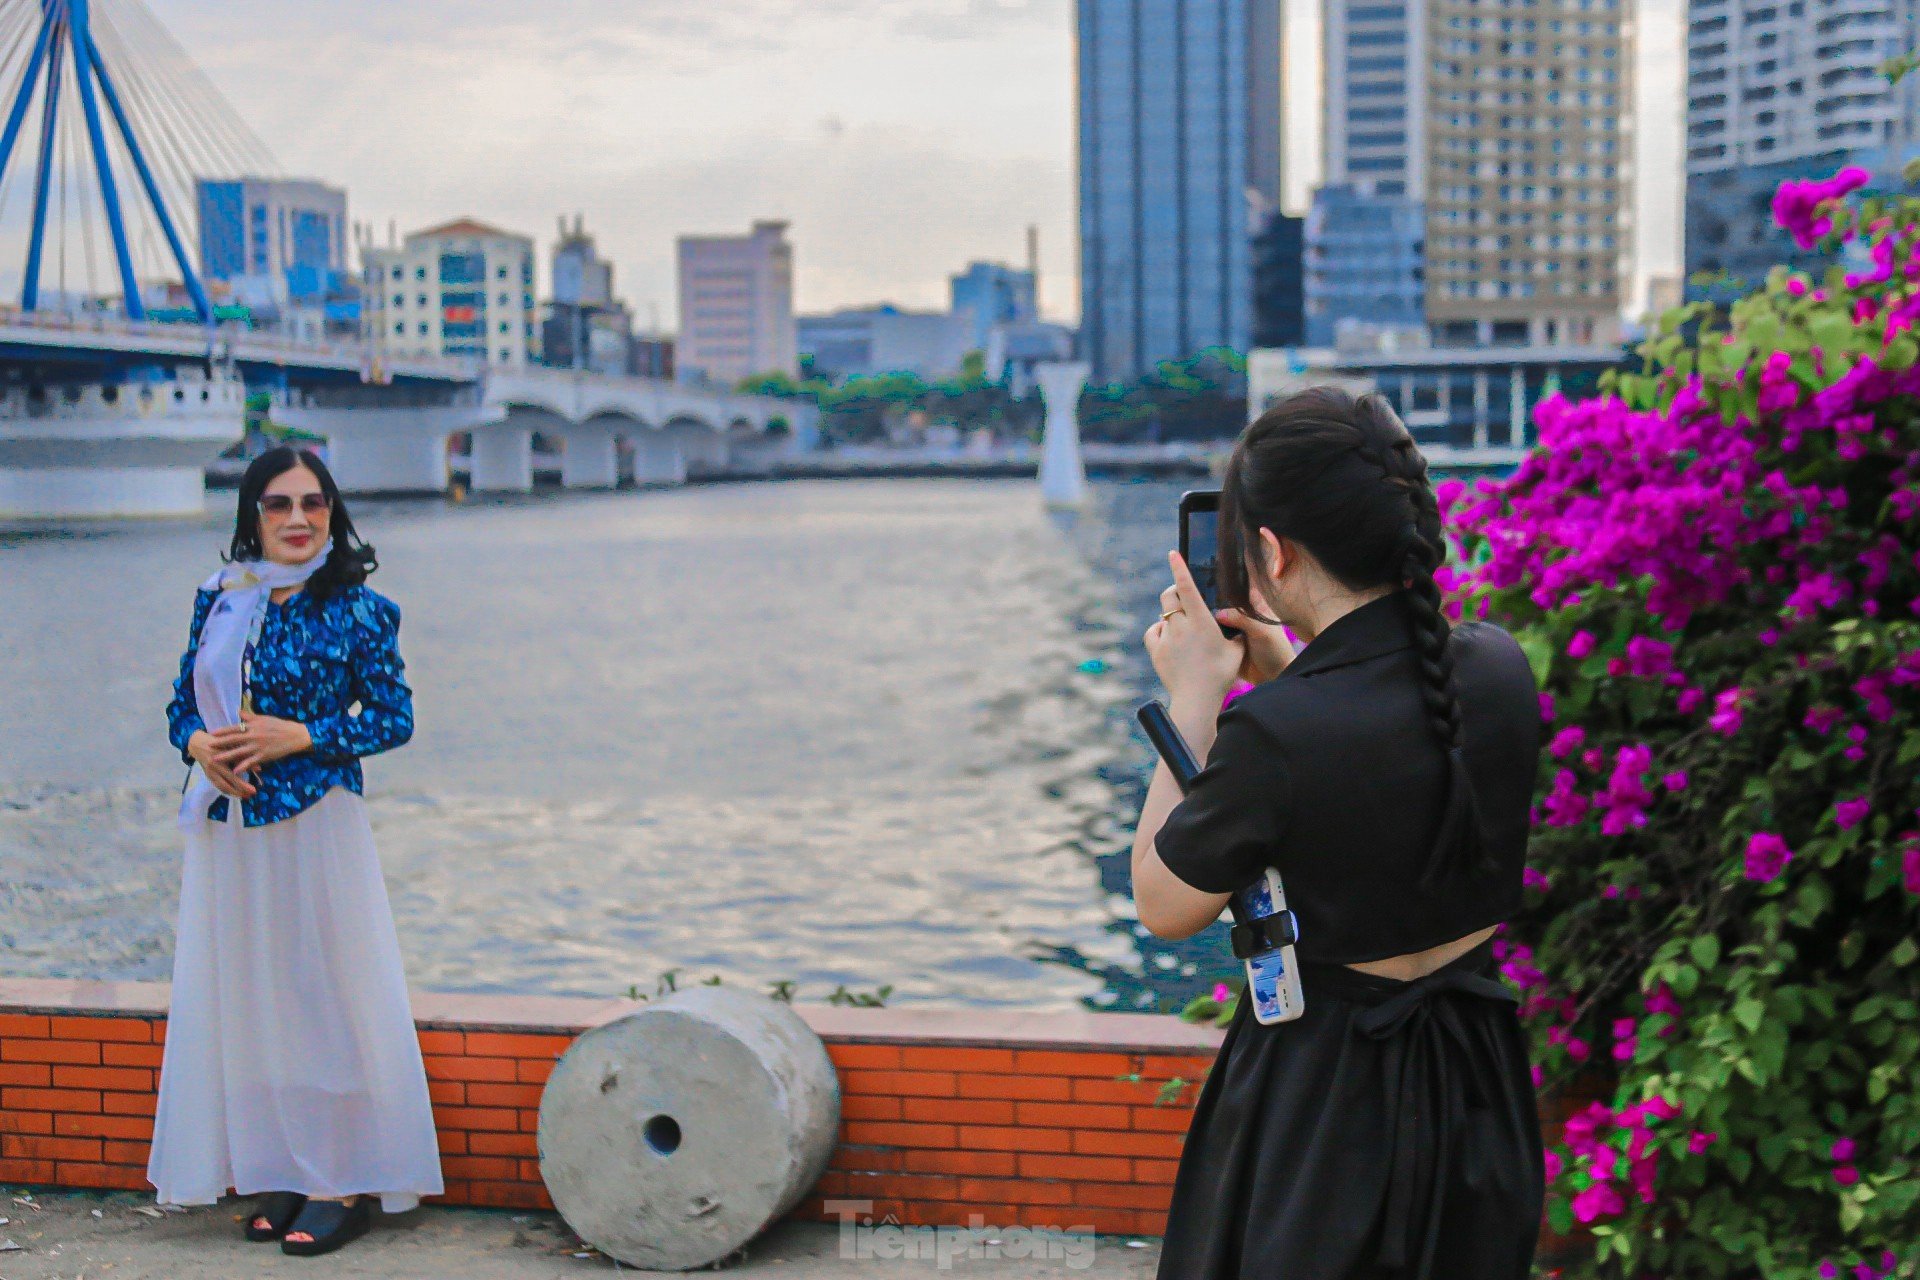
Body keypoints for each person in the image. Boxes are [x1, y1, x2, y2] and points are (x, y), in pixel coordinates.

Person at [1132, 388, 1545, 1280]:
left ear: (1272, 552)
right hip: (1477, 1079)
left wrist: (1196, 697)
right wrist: (1288, 673)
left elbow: (1164, 901)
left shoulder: (1277, 736)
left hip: (1326, 1109)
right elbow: (1374, 751)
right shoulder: (1498, 666)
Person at [149, 447, 443, 1257]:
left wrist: (304, 735)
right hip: (231, 831)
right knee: (257, 1000)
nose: (297, 519)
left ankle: (339, 1179)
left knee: (324, 997)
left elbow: (393, 718)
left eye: (313, 503)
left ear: (332, 512)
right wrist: (201, 746)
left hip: (317, 825)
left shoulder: (358, 608)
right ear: (251, 515)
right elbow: (181, 704)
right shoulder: (221, 600)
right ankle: (286, 1163)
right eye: (277, 505)